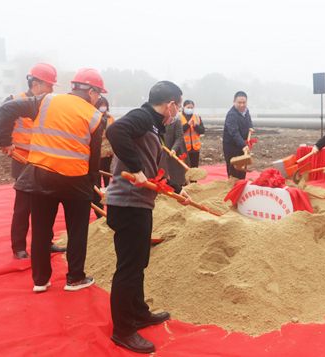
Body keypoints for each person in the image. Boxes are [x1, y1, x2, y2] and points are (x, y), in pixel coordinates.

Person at [0, 68, 106, 293]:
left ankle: (40, 280)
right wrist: (92, 184)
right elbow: (93, 159)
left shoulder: (47, 100)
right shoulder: (95, 116)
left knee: (41, 229)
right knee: (77, 231)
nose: (98, 98)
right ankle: (75, 278)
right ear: (91, 92)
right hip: (75, 180)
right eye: (98, 93)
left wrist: (5, 140)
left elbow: (5, 109)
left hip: (41, 175)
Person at [105, 81, 191, 354]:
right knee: (128, 268)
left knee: (139, 261)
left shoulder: (154, 125)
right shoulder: (143, 116)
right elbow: (115, 131)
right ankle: (122, 330)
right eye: (177, 105)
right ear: (171, 104)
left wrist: (178, 189)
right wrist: (136, 168)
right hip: (127, 204)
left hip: (140, 204)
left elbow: (155, 169)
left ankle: (139, 312)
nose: (176, 111)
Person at [0, 63, 66, 259]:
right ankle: (19, 247)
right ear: (36, 84)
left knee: (46, 203)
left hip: (42, 159)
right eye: (49, 85)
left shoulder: (47, 103)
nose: (52, 89)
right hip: (22, 160)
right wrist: (5, 142)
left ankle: (46, 242)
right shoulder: (14, 101)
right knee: (23, 206)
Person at [92, 96, 114, 217]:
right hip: (96, 156)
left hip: (109, 154)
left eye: (105, 104)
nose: (103, 107)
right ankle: (99, 212)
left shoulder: (111, 119)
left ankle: (110, 209)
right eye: (101, 104)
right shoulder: (93, 117)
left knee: (109, 184)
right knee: (96, 184)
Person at [222, 91, 253, 179]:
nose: (242, 105)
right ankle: (233, 188)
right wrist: (243, 145)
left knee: (242, 169)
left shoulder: (246, 111)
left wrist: (251, 127)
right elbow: (234, 133)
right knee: (234, 171)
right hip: (231, 147)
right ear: (234, 102)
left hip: (242, 144)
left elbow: (249, 122)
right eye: (239, 102)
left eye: (244, 102)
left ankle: (241, 186)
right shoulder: (231, 115)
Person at [163, 114, 188, 186]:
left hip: (175, 151)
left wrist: (174, 149)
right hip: (163, 152)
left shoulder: (176, 121)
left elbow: (179, 137)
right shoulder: (158, 121)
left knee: (177, 174)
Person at [181, 100, 205, 170]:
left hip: (195, 148)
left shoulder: (197, 117)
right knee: (185, 168)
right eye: (188, 107)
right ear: (184, 107)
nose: (190, 109)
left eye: (192, 108)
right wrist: (187, 125)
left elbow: (202, 131)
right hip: (184, 148)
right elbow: (179, 131)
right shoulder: (178, 117)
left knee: (194, 168)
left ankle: (193, 181)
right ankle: (185, 181)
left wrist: (195, 126)